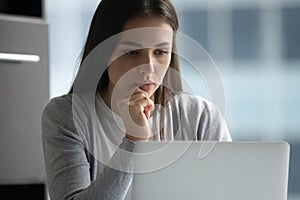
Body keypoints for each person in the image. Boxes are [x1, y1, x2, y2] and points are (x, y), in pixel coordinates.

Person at [42, 0, 232, 199]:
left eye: (160, 52)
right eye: (132, 53)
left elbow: (233, 190)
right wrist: (133, 141)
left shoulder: (201, 116)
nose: (149, 68)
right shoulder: (65, 116)